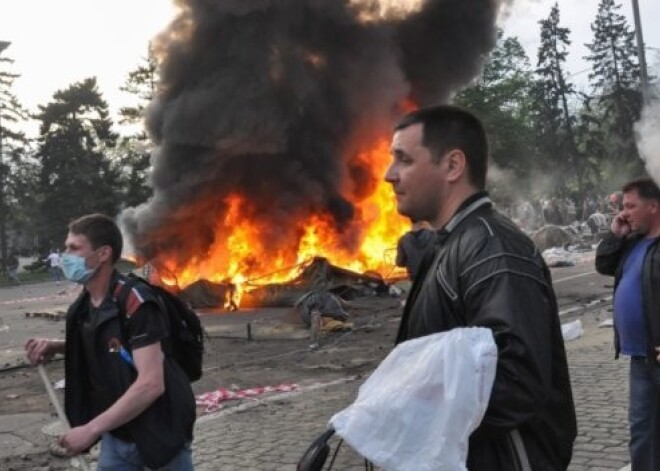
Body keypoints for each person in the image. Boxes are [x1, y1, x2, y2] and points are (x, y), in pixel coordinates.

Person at [384, 105, 576, 470]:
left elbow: (516, 382)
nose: (388, 175)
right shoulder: (452, 244)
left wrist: (405, 399)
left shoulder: (491, 247)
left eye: (403, 159)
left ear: (453, 166)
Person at [25, 214, 196, 470]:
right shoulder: (83, 308)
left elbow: (151, 383)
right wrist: (57, 346)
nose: (65, 255)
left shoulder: (136, 302)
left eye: (74, 248)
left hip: (160, 434)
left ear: (103, 253)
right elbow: (111, 345)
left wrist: (91, 429)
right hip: (117, 435)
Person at [595, 178, 660, 471]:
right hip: (639, 357)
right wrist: (615, 234)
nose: (625, 213)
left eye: (631, 206)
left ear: (654, 206)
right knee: (642, 432)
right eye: (623, 207)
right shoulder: (631, 241)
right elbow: (603, 264)